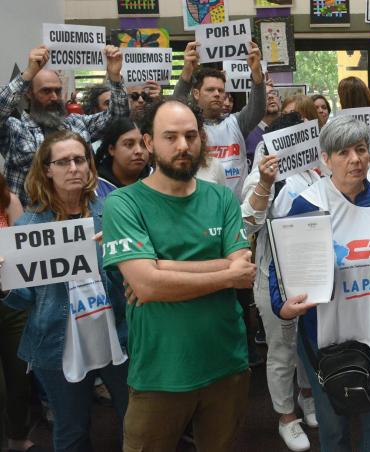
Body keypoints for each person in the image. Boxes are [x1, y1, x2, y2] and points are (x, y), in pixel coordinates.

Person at [100, 99, 255, 451]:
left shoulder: (221, 198)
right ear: (149, 143)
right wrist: (225, 272)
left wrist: (161, 268)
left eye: (190, 135)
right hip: (160, 372)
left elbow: (244, 269)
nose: (183, 146)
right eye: (170, 137)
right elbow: (147, 285)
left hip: (227, 364)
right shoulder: (123, 203)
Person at [268, 115, 370, 452]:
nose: (355, 159)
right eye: (344, 152)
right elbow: (281, 267)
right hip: (326, 338)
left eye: (361, 150)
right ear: (326, 158)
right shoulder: (308, 204)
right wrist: (282, 303)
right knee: (333, 426)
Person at [2, 131, 129, 451]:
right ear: (47, 169)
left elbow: (131, 280)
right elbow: (24, 300)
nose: (73, 167)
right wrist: (3, 280)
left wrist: (116, 256)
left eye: (80, 159)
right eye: (63, 161)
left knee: (137, 420)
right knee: (72, 431)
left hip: (116, 333)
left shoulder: (113, 211)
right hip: (56, 342)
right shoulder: (29, 226)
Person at [241, 112, 320, 452]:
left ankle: (307, 396)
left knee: (308, 346)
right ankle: (286, 416)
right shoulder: (262, 177)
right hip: (275, 279)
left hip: (313, 272)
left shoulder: (315, 170)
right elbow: (247, 225)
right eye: (301, 133)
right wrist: (264, 184)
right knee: (283, 350)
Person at [0, 44, 129, 207]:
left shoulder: (77, 123)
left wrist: (115, 77)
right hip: (32, 225)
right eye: (46, 91)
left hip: (79, 222)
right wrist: (28, 74)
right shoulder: (14, 128)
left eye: (58, 91)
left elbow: (118, 117)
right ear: (29, 93)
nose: (54, 97)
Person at [173, 40, 266, 200]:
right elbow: (174, 108)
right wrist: (187, 72)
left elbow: (257, 109)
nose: (217, 94)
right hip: (200, 207)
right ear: (196, 94)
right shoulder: (188, 127)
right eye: (210, 90)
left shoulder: (236, 122)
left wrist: (257, 74)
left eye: (221, 90)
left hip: (236, 208)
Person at [0, 173, 29, 452]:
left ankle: (18, 438)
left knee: (20, 378)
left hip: (11, 299)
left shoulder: (8, 200)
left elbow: (23, 253)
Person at [95, 118, 151, 196]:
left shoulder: (159, 180)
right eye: (129, 144)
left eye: (143, 144)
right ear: (112, 149)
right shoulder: (95, 189)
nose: (139, 151)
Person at [245, 82, 282, 169]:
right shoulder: (246, 133)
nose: (270, 96)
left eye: (273, 93)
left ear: (280, 99)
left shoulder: (290, 129)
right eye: (264, 95)